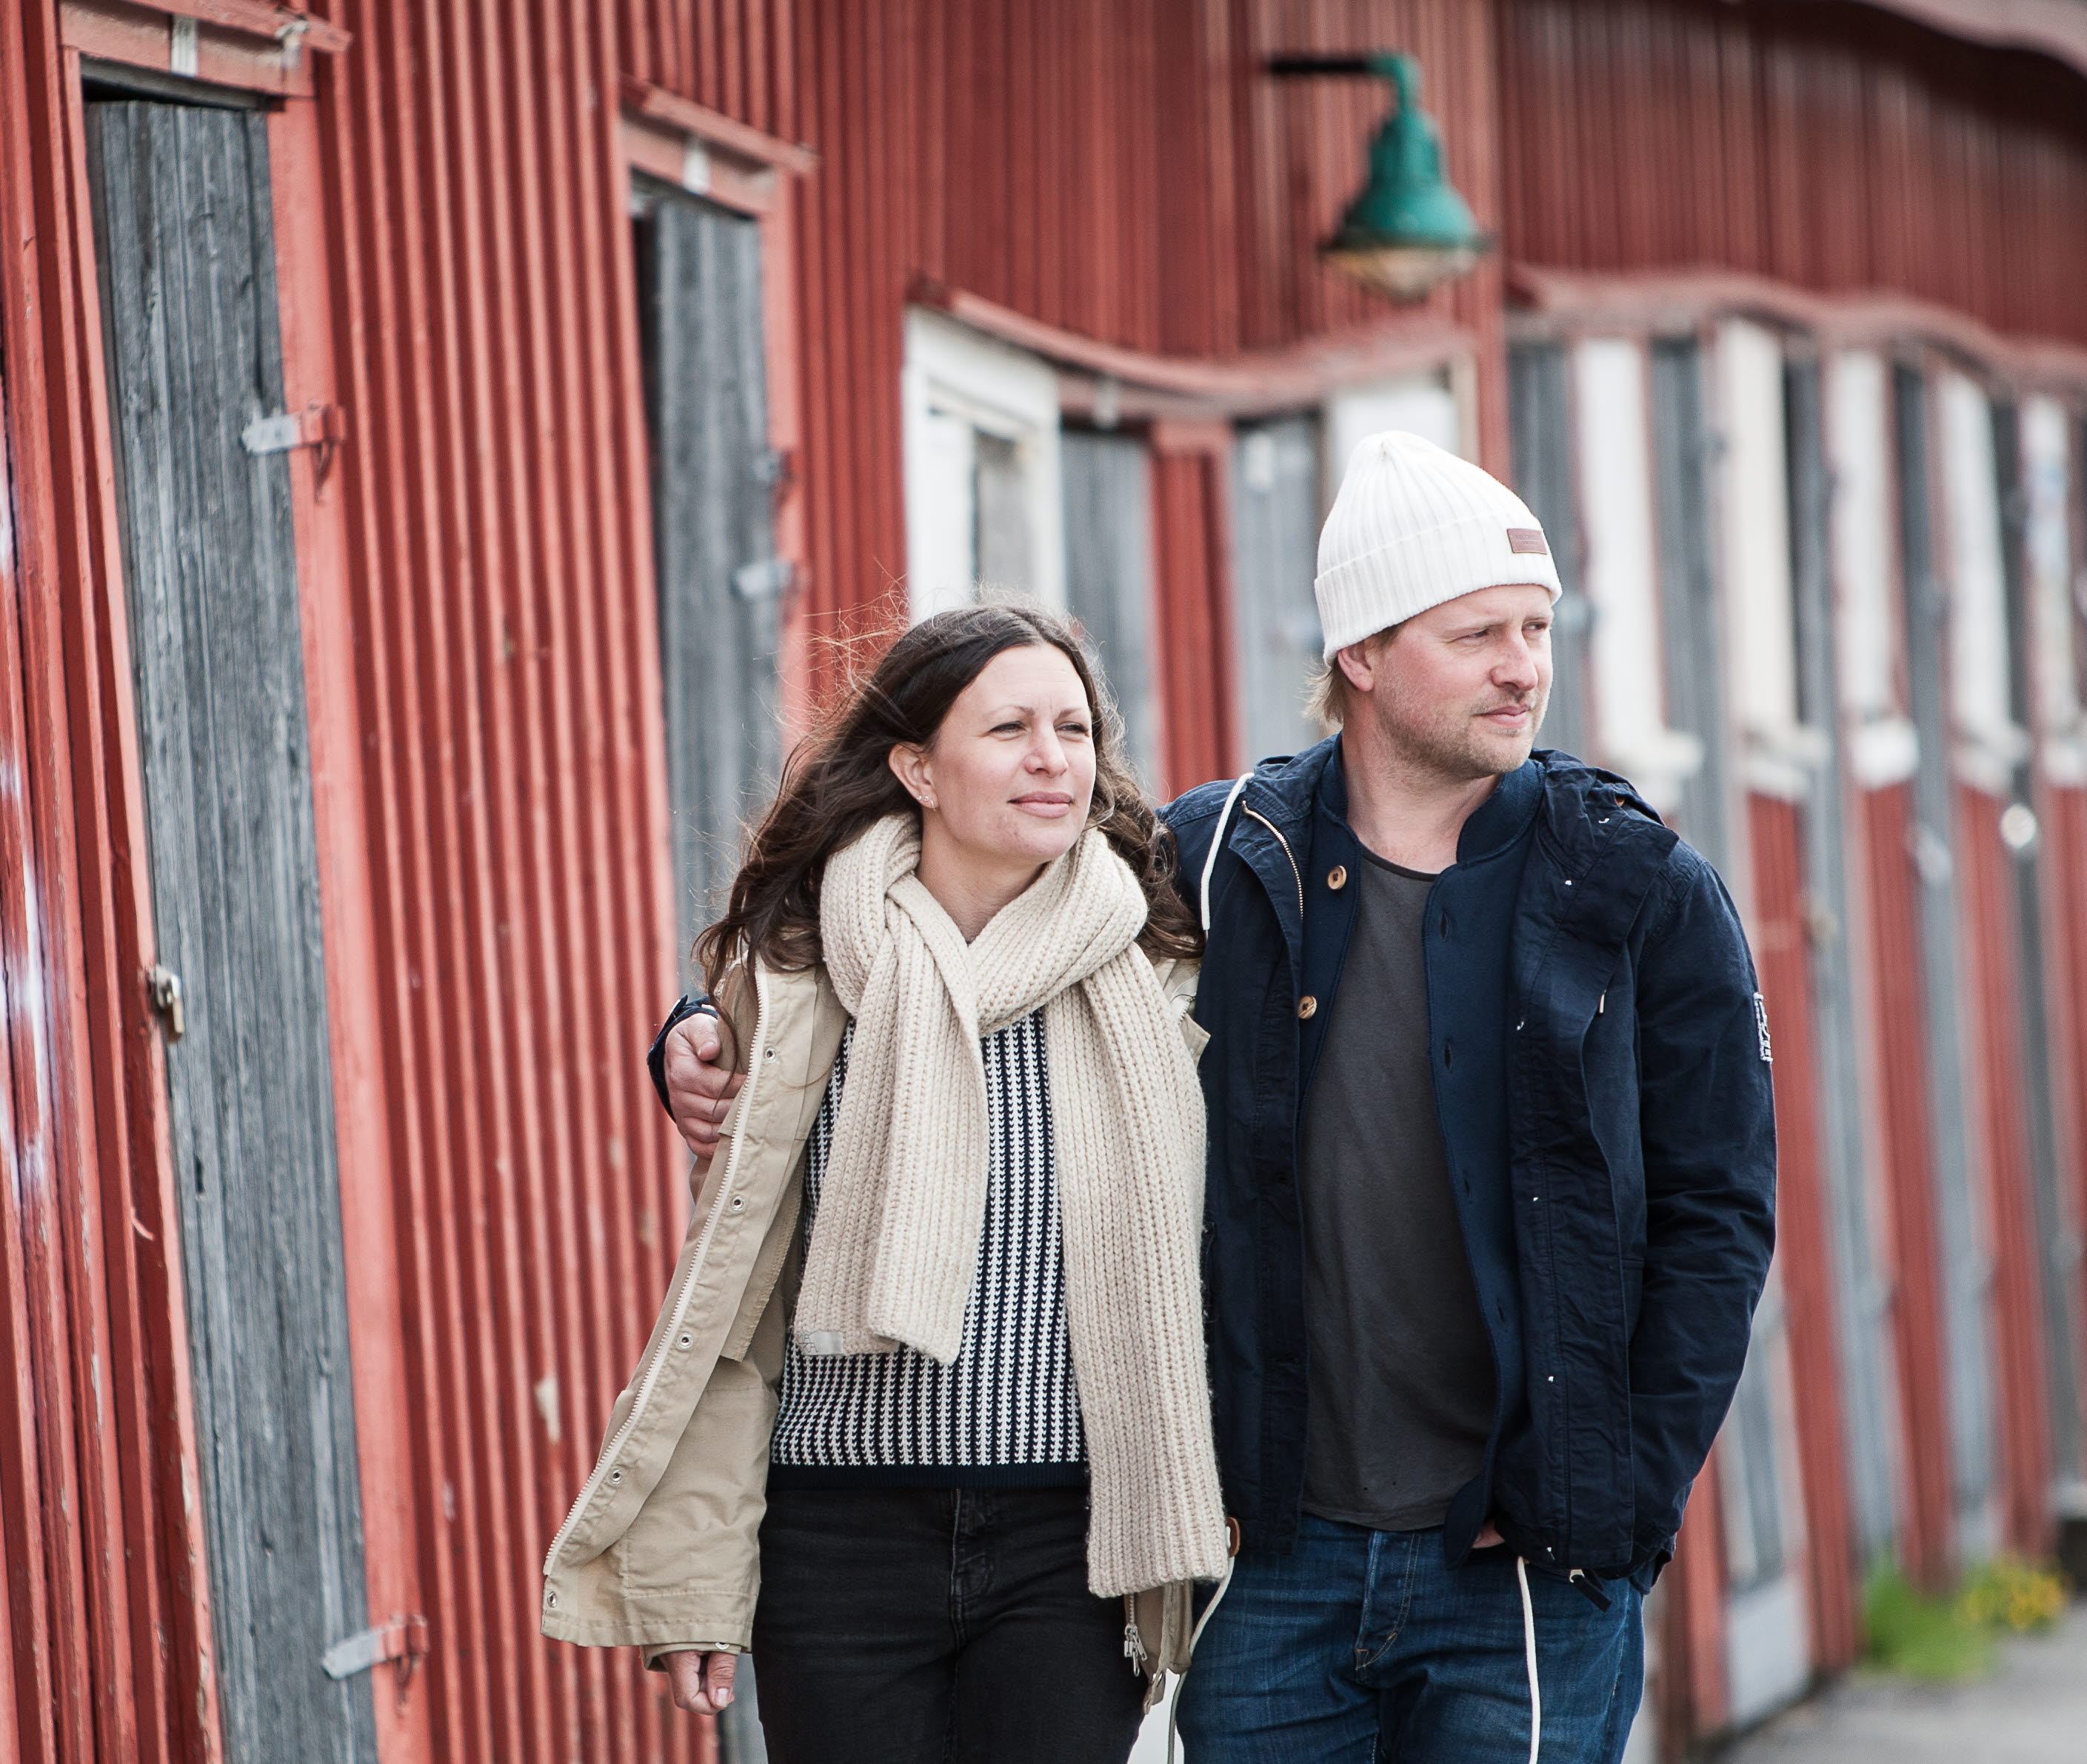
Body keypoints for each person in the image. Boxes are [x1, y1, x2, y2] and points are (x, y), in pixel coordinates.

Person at [662, 432, 1777, 1763]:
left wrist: (1615, 1497)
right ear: (1359, 652)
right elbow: (941, 927)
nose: (1522, 665)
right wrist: (693, 1030)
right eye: (1477, 631)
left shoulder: (1635, 885)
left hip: (1521, 1561)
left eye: (1535, 628)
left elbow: (1718, 1216)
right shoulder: (1212, 860)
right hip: (1272, 1558)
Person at [542, 604, 1231, 1764]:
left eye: (1072, 725)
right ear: (916, 765)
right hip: (838, 1537)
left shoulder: (1161, 961)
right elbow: (729, 1305)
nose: (1052, 755)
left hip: (1071, 1535)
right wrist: (697, 1578)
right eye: (1008, 726)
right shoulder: (803, 967)